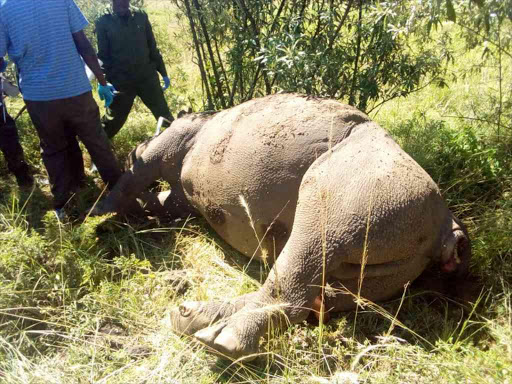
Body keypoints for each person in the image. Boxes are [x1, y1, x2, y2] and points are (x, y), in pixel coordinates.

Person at [0, 0, 123, 218]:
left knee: (53, 149)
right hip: (75, 89)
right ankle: (122, 193)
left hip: (39, 96)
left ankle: (63, 206)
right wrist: (102, 81)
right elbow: (83, 44)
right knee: (97, 141)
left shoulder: (5, 9)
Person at [95, 0, 174, 139]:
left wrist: (163, 72)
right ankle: (98, 156)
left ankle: (175, 150)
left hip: (147, 77)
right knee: (112, 123)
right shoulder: (103, 21)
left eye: (125, 2)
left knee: (165, 118)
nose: (122, 6)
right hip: (121, 82)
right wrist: (103, 81)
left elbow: (152, 47)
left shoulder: (140, 16)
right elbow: (103, 56)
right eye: (118, 3)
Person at [0, 68, 33, 187]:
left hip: (3, 121)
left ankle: (25, 181)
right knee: (13, 150)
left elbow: (13, 92)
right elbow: (14, 92)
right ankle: (25, 182)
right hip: (3, 123)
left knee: (13, 151)